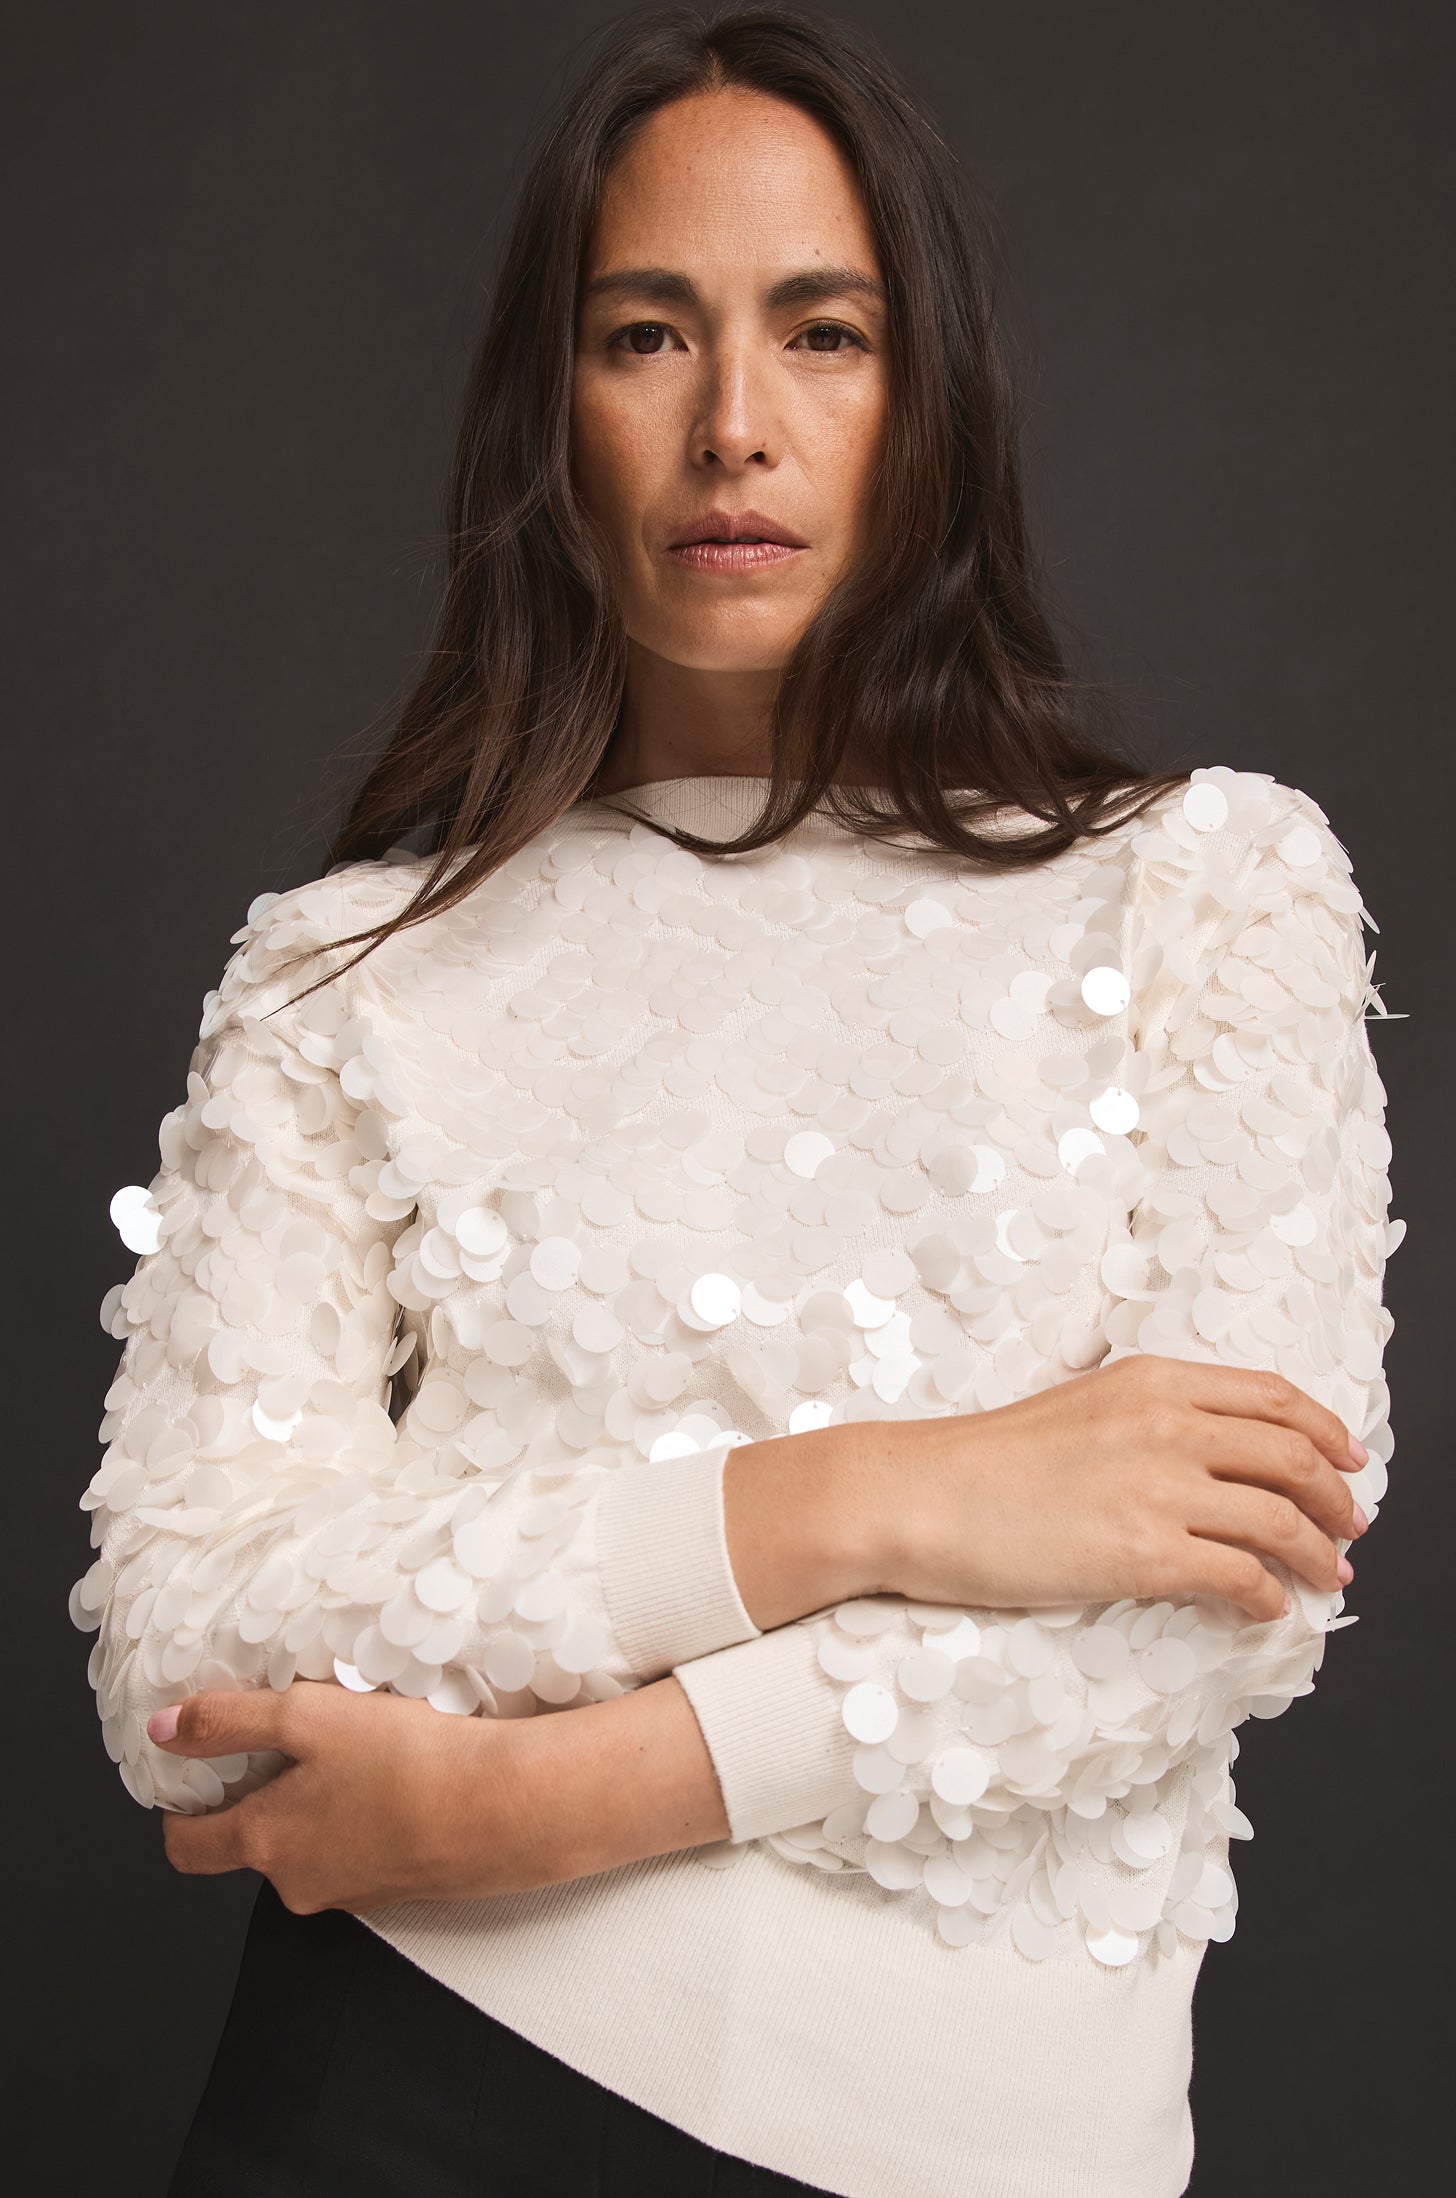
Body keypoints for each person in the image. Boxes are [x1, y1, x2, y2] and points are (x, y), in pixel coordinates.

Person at [69, 7, 1398, 2195]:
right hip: (390, 2087)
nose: (734, 427)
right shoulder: (342, 970)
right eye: (645, 337)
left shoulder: (1207, 888)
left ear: (929, 395)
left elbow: (1208, 1604)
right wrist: (887, 1496)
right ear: (549, 412)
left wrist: (532, 1800)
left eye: (824, 332)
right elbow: (189, 1650)